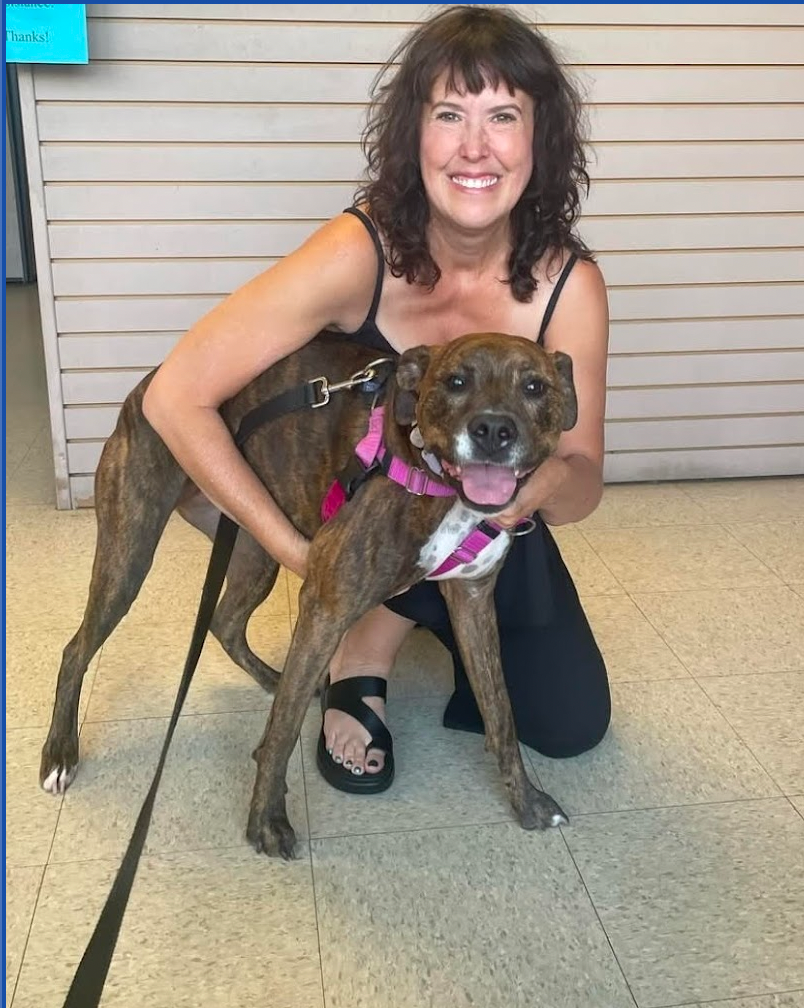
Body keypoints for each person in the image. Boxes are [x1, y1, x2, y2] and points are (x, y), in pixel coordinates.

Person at [143, 4, 611, 796]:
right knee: (381, 537)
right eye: (449, 114)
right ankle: (359, 646)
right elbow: (174, 397)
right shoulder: (357, 250)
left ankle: (399, 608)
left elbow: (584, 476)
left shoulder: (569, 283)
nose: (474, 147)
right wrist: (299, 557)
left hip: (490, 513)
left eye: (503, 115)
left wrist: (526, 492)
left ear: (540, 139)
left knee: (569, 724)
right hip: (361, 507)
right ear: (413, 136)